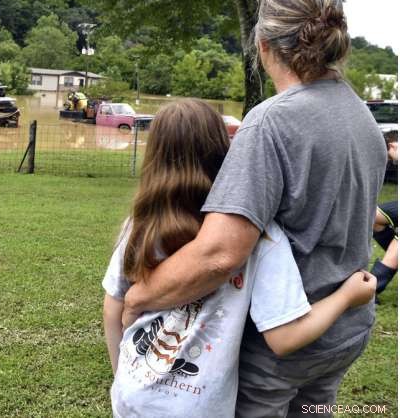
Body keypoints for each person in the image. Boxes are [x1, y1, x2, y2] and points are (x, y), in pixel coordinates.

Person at [120, 0, 387, 417]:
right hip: (344, 333)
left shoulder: (270, 123)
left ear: (263, 45)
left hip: (282, 346)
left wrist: (139, 296)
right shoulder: (361, 117)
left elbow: (219, 254)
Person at [102, 99, 376, 417]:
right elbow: (284, 337)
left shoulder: (139, 226)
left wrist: (121, 377)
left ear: (154, 156)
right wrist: (346, 296)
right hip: (201, 408)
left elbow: (112, 310)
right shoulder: (260, 236)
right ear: (226, 151)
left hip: (132, 395)